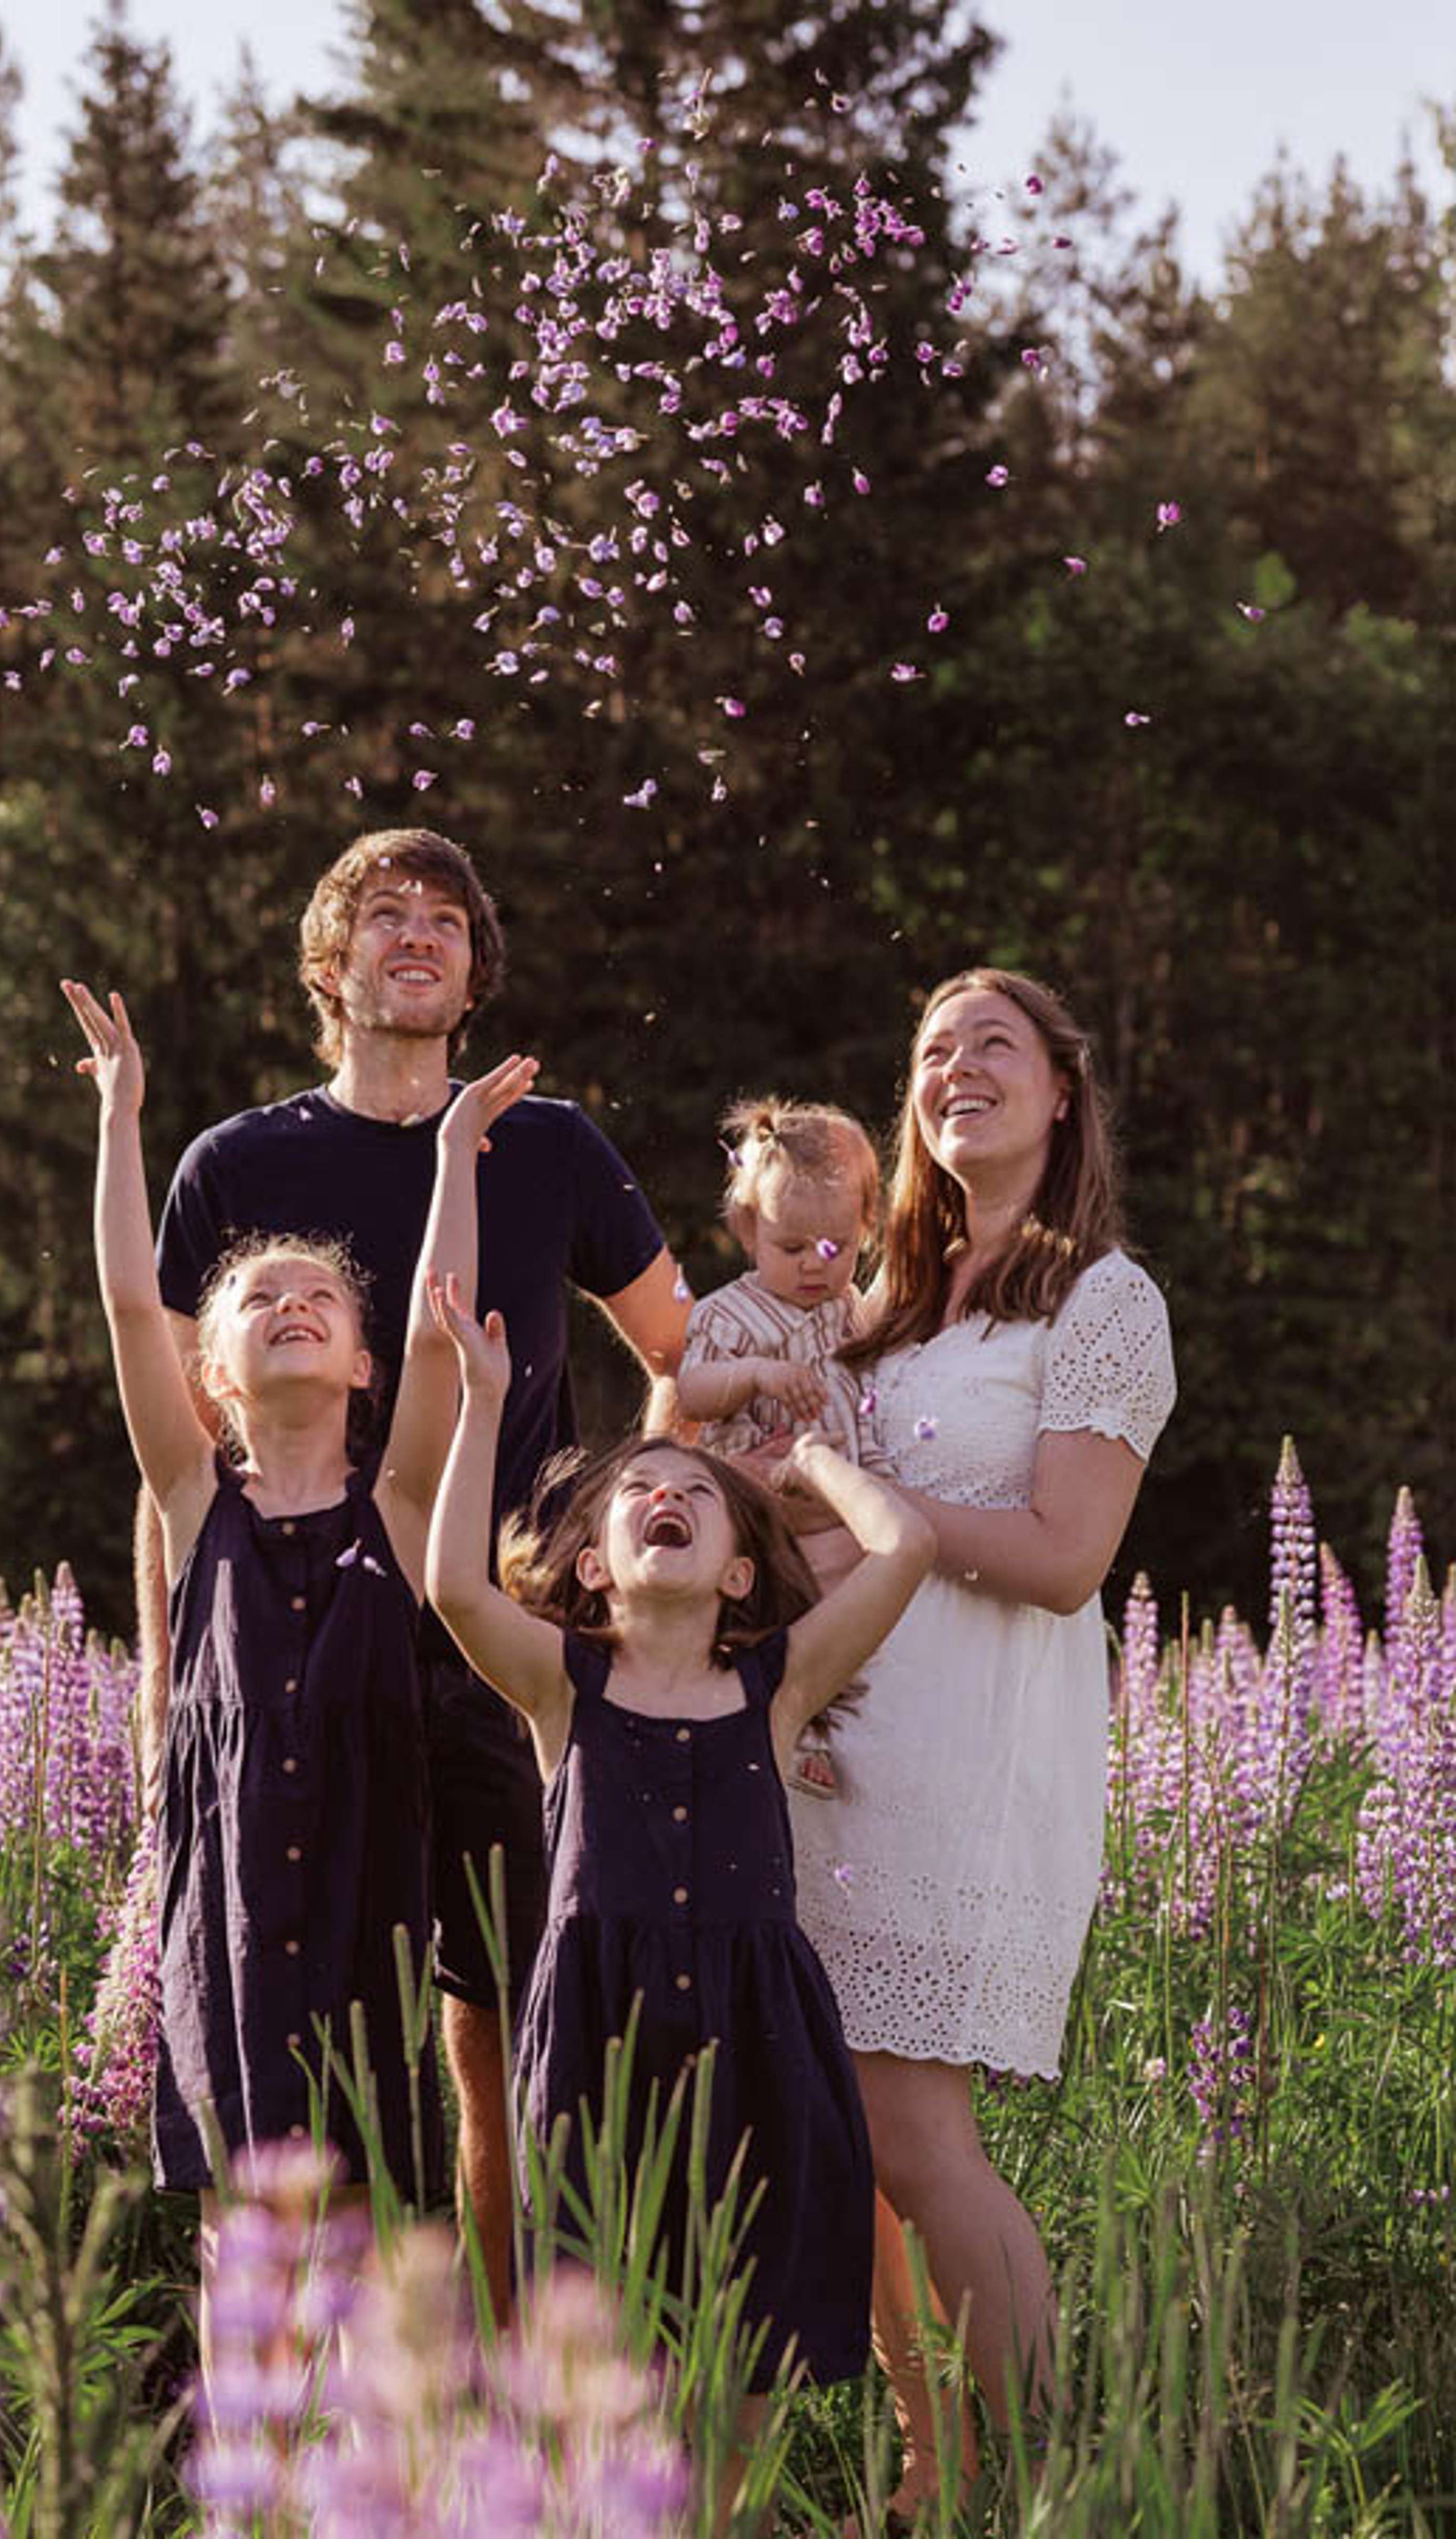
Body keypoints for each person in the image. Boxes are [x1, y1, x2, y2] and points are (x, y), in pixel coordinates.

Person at [144, 827, 693, 2309]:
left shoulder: (556, 1146)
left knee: (517, 2023)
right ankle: (363, 2390)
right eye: (384, 914)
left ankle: (527, 2363)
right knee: (327, 2017)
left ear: (473, 972)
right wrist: (170, 1712)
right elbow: (185, 1470)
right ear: (331, 965)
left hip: (514, 1652)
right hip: (308, 1670)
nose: (418, 935)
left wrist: (627, 1550)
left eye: (447, 919)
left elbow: (682, 1361)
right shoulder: (236, 1167)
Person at [424, 1264, 935, 2513]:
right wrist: (482, 1400)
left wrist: (807, 1460)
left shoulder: (778, 1686)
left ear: (741, 1575)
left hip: (757, 2045)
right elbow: (450, 1586)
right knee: (615, 2371)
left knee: (744, 2367)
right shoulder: (564, 1689)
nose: (663, 1493)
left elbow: (906, 1542)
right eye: (640, 1491)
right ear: (592, 1569)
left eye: (695, 1494)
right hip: (602, 2052)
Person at [62, 972, 535, 2271]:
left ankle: (389, 2460)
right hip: (222, 1916)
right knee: (244, 2225)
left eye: (317, 1298)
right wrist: (119, 1118)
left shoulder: (395, 1508)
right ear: (215, 1374)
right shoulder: (192, 1492)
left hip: (364, 1912)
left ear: (360, 1364)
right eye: (258, 1300)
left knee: (372, 2210)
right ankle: (256, 2472)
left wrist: (451, 1152)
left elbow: (444, 1341)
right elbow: (121, 1301)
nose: (291, 1304)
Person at [789, 967, 1177, 2513]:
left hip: (971, 1758)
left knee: (912, 2125)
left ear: (1063, 1093)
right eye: (935, 1050)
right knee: (854, 2129)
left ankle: (1021, 2475)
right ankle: (924, 2468)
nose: (960, 1068)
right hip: (839, 1754)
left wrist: (861, 1503)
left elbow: (1069, 1552)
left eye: (994, 1046)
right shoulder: (877, 1307)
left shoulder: (1105, 1300)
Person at [675, 1094, 881, 1798]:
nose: (815, 1268)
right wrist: (757, 1373)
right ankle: (782, 1736)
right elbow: (693, 1392)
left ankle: (825, 1731)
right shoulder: (730, 1313)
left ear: (866, 1230)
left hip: (842, 1502)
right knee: (766, 1619)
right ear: (746, 1228)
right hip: (762, 1507)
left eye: (837, 1248)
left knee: (847, 1620)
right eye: (790, 1249)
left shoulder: (852, 1310)